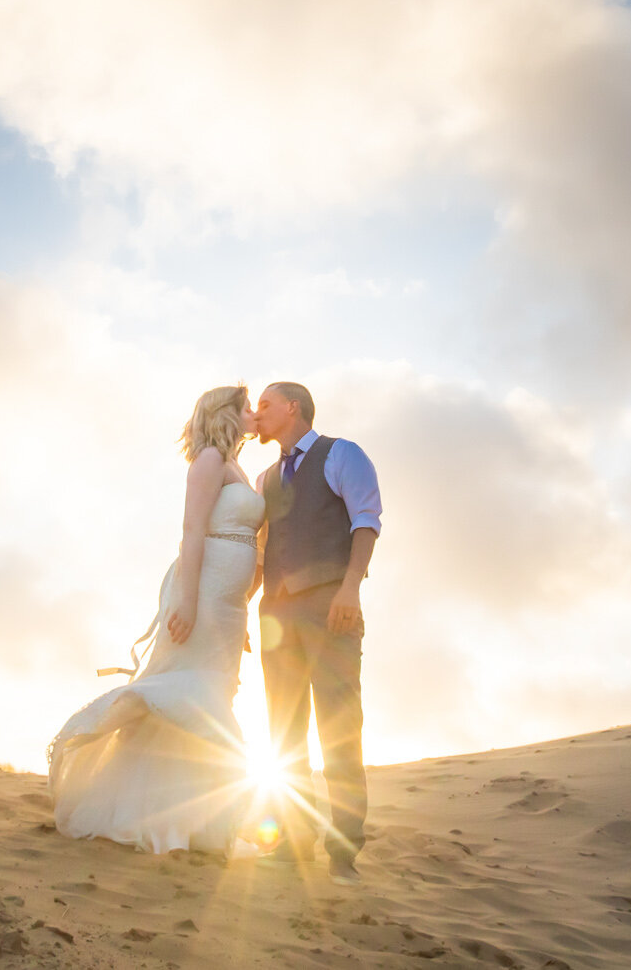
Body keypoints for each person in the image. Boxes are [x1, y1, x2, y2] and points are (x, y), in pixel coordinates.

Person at [46, 385, 263, 854]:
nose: (253, 413)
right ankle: (162, 815)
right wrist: (187, 601)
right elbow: (191, 529)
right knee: (190, 692)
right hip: (201, 595)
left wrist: (240, 609)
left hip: (228, 606)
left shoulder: (236, 465)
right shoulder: (208, 459)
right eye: (246, 406)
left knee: (210, 692)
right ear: (224, 413)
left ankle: (191, 818)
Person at [252, 380, 381, 887]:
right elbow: (262, 550)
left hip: (331, 608)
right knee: (284, 735)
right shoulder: (266, 477)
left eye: (264, 405)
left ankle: (343, 853)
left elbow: (365, 522)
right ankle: (290, 843)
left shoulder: (341, 454)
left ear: (292, 407)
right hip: (275, 617)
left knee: (339, 731)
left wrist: (350, 589)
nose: (257, 414)